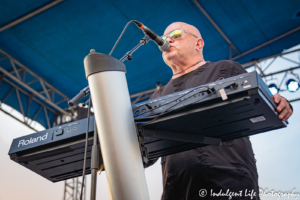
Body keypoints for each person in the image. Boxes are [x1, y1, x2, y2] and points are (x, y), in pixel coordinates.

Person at [149, 22, 293, 200]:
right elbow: (145, 155)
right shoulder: (157, 97)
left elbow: (263, 104)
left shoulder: (225, 69)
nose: (167, 40)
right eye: (163, 38)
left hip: (230, 183)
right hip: (178, 190)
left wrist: (280, 103)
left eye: (176, 34)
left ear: (198, 44)